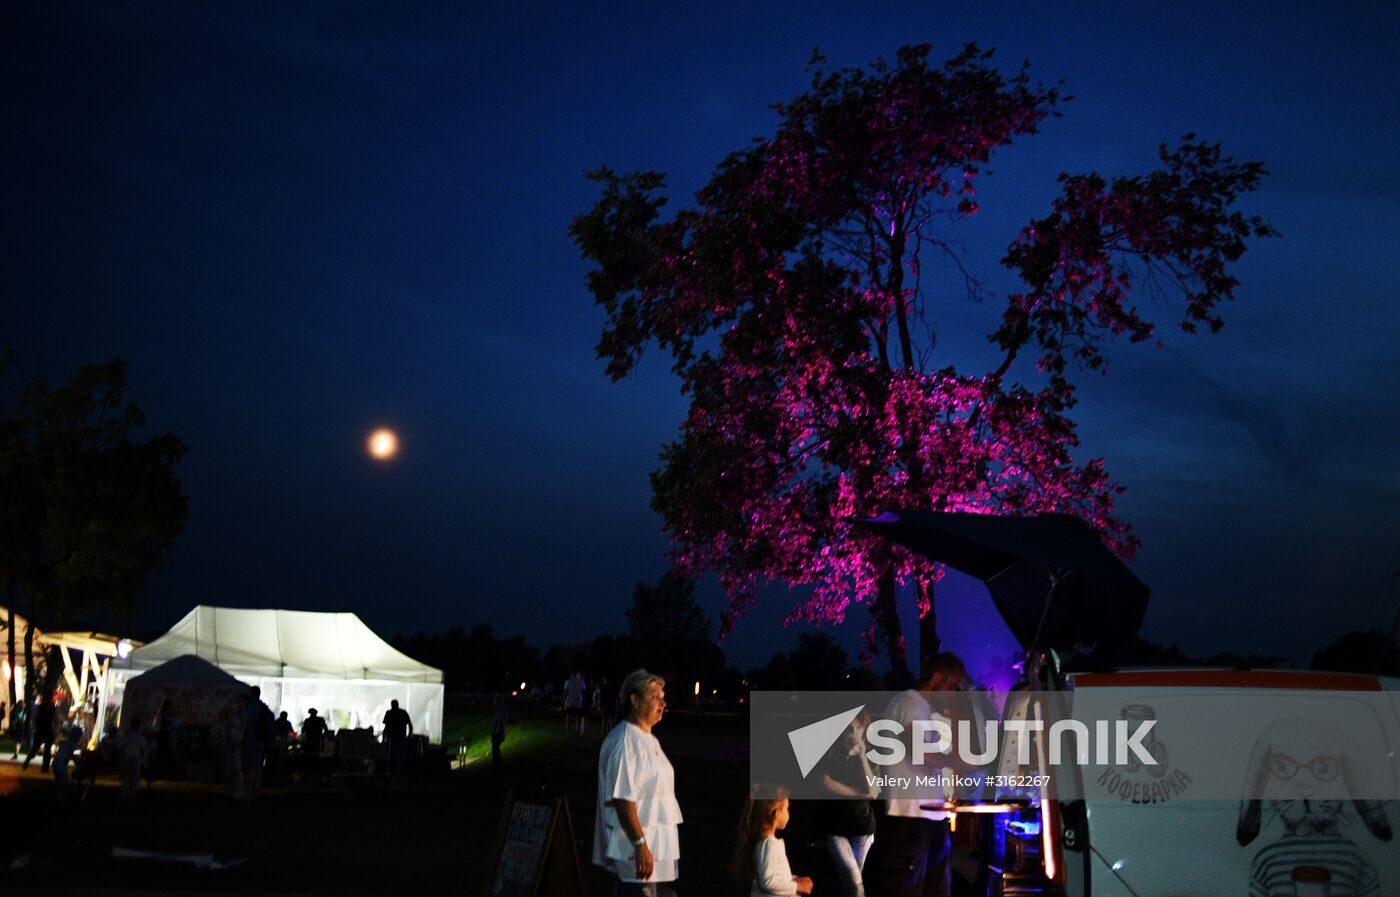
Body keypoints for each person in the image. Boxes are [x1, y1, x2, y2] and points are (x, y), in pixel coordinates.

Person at [881, 652, 968, 897]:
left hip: (929, 817)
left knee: (937, 889)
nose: (953, 693)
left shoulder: (923, 710)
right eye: (951, 686)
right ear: (936, 678)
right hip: (909, 818)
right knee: (906, 889)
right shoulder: (908, 704)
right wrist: (960, 763)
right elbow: (920, 753)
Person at [592, 669, 682, 896]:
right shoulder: (625, 742)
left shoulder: (648, 738)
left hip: (650, 851)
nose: (663, 702)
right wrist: (640, 844)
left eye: (663, 697)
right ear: (634, 699)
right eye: (655, 697)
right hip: (634, 853)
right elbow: (622, 799)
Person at [816, 709, 878, 897]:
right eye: (848, 727)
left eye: (857, 728)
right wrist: (858, 793)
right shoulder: (830, 752)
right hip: (834, 826)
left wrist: (862, 757)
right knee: (853, 879)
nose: (852, 732)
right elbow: (825, 782)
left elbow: (873, 792)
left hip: (862, 826)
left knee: (851, 880)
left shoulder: (870, 756)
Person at [732, 787, 813, 896]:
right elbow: (768, 881)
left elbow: (773, 875)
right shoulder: (769, 844)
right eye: (787, 808)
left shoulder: (765, 843)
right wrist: (798, 886)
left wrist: (794, 879)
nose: (789, 812)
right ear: (777, 814)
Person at [240, 685, 273, 798]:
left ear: (252, 694)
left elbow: (247, 723)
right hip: (262, 740)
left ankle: (249, 789)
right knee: (258, 765)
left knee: (251, 765)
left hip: (252, 739)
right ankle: (257, 789)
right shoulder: (264, 707)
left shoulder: (251, 708)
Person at [23, 696, 56, 772]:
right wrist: (35, 728)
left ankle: (42, 767)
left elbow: (33, 719)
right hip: (44, 730)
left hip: (43, 730)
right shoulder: (49, 708)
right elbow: (34, 719)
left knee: (42, 749)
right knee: (42, 749)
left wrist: (35, 728)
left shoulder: (42, 708)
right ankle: (42, 767)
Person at [51, 725, 83, 803]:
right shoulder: (73, 745)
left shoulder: (66, 742)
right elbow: (76, 757)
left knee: (60, 782)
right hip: (60, 764)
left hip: (56, 762)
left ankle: (57, 797)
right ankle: (58, 799)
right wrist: (79, 766)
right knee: (64, 781)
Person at [382, 699, 413, 776]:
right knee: (401, 757)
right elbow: (410, 725)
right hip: (401, 737)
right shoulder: (403, 713)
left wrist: (384, 739)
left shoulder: (389, 713)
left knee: (392, 756)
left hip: (392, 738)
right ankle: (399, 773)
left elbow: (386, 727)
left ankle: (392, 773)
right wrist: (409, 736)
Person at [120, 718, 148, 802]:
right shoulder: (141, 738)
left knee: (125, 778)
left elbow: (121, 748)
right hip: (136, 758)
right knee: (135, 779)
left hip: (126, 758)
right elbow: (143, 750)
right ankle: (132, 796)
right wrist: (144, 761)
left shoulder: (126, 737)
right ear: (139, 727)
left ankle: (124, 794)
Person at [563, 670, 587, 737]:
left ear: (571, 673)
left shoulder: (568, 681)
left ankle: (569, 733)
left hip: (569, 702)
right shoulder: (581, 682)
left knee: (569, 718)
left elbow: (565, 693)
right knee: (578, 718)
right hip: (578, 702)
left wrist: (563, 701)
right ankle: (577, 732)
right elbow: (583, 692)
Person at [490, 695, 508, 768]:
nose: (494, 704)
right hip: (495, 732)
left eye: (495, 702)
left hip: (498, 732)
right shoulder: (498, 711)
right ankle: (495, 764)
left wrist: (503, 734)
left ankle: (497, 765)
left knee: (496, 749)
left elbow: (503, 723)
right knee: (495, 749)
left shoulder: (502, 712)